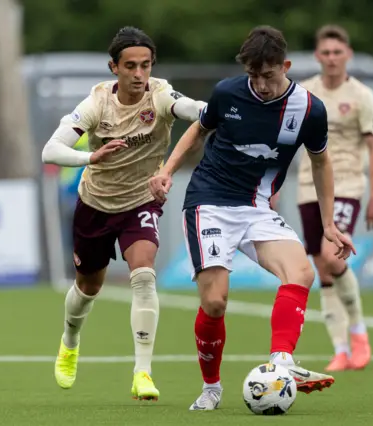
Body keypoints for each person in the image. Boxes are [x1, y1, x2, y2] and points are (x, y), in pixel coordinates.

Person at [149, 25, 355, 411]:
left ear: (286, 66)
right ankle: (211, 388)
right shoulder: (228, 92)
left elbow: (320, 161)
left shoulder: (310, 109)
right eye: (253, 76)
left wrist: (329, 223)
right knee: (215, 302)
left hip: (257, 207)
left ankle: (281, 361)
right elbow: (198, 128)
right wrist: (166, 171)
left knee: (303, 273)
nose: (260, 84)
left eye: (269, 75)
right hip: (208, 203)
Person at [41, 26, 207, 401]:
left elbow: (192, 110)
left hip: (140, 202)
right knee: (88, 288)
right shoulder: (96, 103)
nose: (138, 74)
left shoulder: (161, 94)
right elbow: (50, 151)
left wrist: (216, 109)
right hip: (95, 204)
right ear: (113, 67)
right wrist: (90, 157)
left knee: (144, 276)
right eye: (130, 66)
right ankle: (70, 342)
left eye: (145, 66)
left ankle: (142, 373)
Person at [291, 24, 373, 372]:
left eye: (337, 52)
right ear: (318, 56)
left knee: (332, 255)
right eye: (325, 53)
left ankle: (359, 332)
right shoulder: (305, 92)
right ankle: (341, 349)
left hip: (346, 183)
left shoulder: (362, 95)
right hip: (307, 185)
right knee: (322, 267)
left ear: (348, 55)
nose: (332, 58)